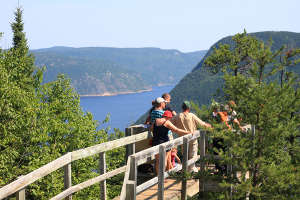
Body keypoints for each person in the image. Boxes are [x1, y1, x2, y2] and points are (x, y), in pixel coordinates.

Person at [171, 101, 212, 172]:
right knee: (193, 156)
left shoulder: (177, 116)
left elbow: (170, 124)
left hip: (182, 140)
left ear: (182, 108)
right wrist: (210, 126)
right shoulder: (191, 115)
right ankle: (192, 171)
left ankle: (186, 171)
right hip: (192, 139)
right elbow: (202, 124)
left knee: (185, 157)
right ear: (189, 108)